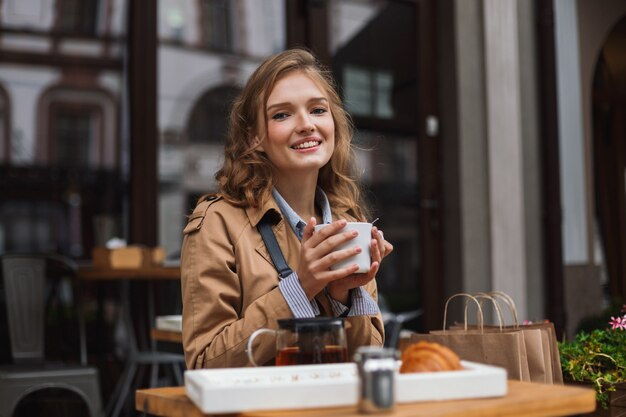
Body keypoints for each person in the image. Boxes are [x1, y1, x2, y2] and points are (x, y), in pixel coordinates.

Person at [180, 48, 393, 369]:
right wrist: (301, 287)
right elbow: (204, 363)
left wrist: (343, 297)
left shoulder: (349, 224)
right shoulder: (216, 221)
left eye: (318, 110)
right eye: (282, 115)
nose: (306, 124)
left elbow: (366, 361)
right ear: (254, 137)